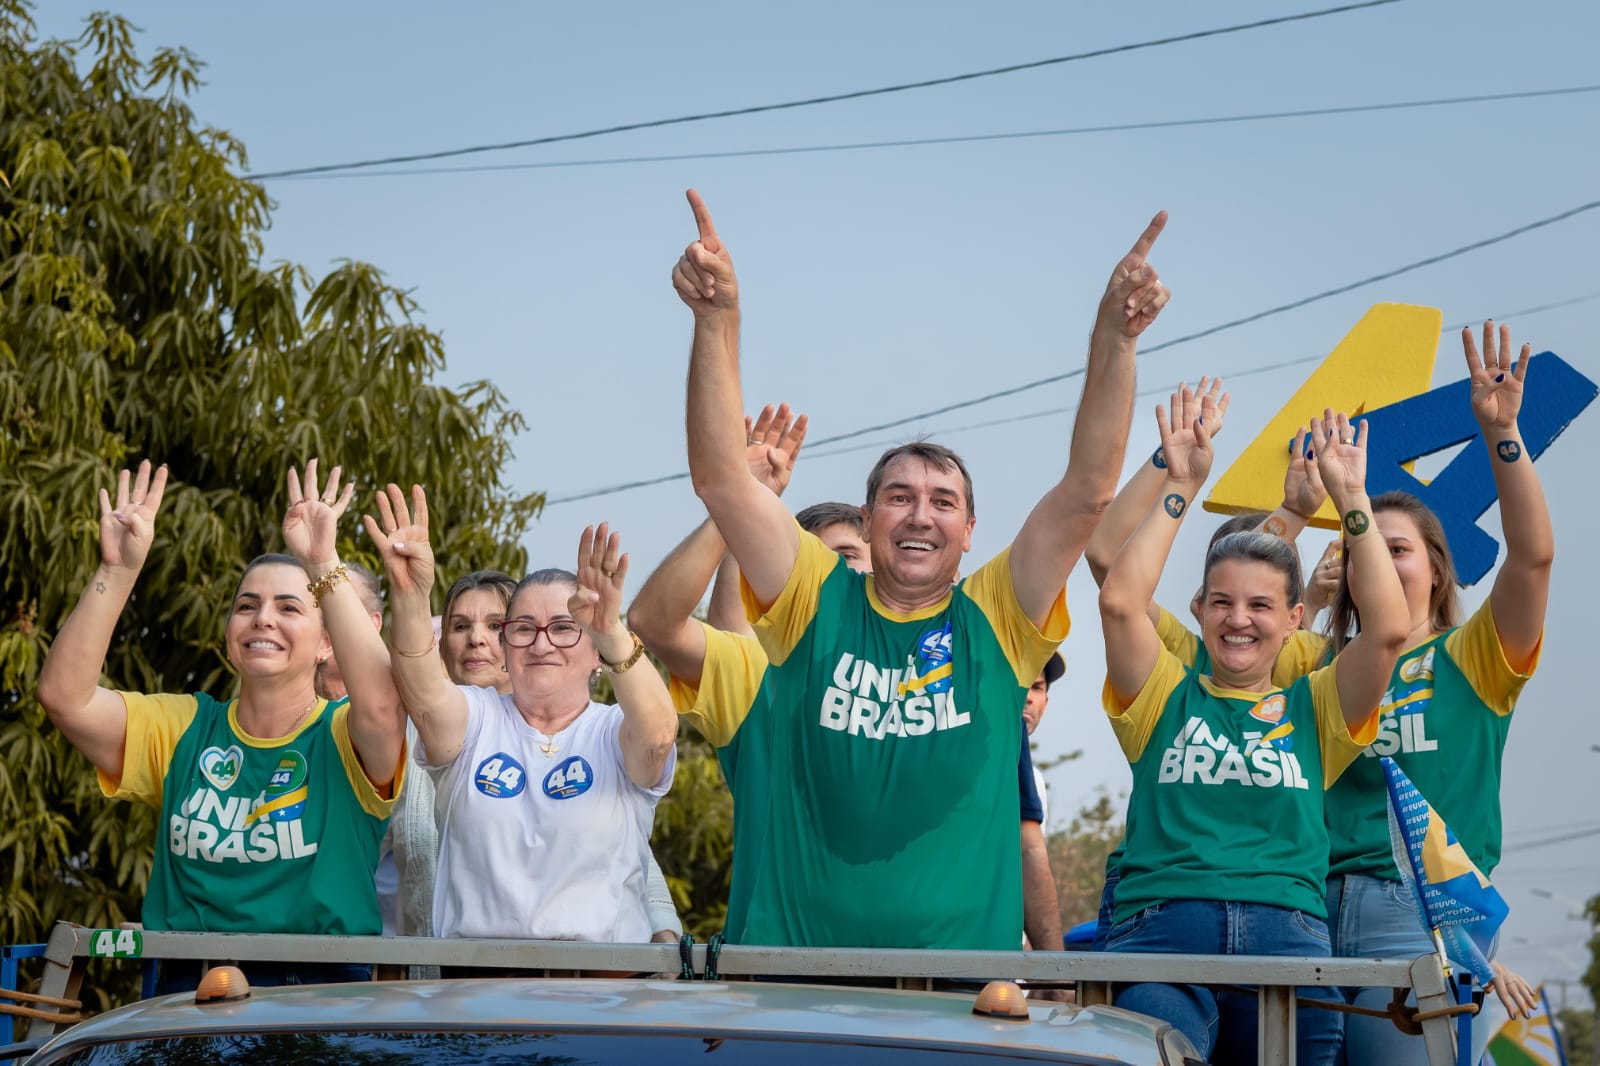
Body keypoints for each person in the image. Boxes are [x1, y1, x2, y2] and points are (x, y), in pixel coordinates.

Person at [672, 188, 1169, 948]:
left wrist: (1116, 341)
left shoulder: (998, 616)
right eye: (898, 497)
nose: (919, 514)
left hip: (960, 995)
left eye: (943, 501)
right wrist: (717, 325)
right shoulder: (812, 598)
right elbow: (722, 481)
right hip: (797, 986)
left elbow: (1088, 492)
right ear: (869, 523)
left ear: (970, 532)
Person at [632, 405, 1062, 953]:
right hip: (783, 973)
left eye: (855, 559)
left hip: (941, 978)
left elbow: (1026, 842)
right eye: (832, 562)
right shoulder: (764, 676)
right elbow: (682, 624)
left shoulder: (975, 691)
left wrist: (1054, 969)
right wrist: (735, 506)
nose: (851, 577)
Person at [1096, 397, 1409, 1065]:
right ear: (1200, 610)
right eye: (1223, 602)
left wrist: (1352, 498)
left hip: (1287, 941)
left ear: (1295, 617)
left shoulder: (1318, 707)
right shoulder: (1160, 698)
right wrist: (1181, 486)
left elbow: (1387, 628)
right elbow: (1120, 596)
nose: (1240, 619)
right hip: (1162, 938)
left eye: (1261, 605)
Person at [36, 460, 407, 991]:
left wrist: (323, 561)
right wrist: (116, 571)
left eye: (289, 608)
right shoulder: (185, 725)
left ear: (327, 642)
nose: (263, 619)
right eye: (247, 605)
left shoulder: (344, 734)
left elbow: (384, 707)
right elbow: (64, 698)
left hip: (319, 995)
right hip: (185, 991)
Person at [1322, 323, 1552, 1064]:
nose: (1382, 564)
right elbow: (1237, 629)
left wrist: (1501, 437)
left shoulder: (1476, 657)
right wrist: (1295, 514)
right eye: (1367, 548)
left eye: (1400, 550)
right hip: (1307, 908)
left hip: (1419, 914)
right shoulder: (1322, 666)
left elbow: (1534, 557)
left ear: (1438, 570)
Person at [369, 484, 679, 951]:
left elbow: (658, 736)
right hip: (478, 1000)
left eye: (563, 628)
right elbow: (425, 696)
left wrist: (612, 630)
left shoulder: (612, 731)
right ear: (507, 648)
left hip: (604, 998)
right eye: (522, 629)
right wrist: (411, 595)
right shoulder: (476, 719)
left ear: (597, 652)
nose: (541, 644)